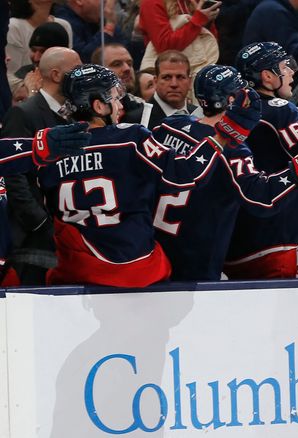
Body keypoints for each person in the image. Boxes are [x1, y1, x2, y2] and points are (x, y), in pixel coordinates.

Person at [35, 64, 258, 286]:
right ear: (98, 106)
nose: (119, 104)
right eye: (113, 98)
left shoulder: (48, 153)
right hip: (134, 268)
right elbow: (185, 175)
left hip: (75, 270)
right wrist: (221, 137)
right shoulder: (130, 138)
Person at [152, 64, 298, 280]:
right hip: (193, 264)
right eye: (242, 91)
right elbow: (261, 198)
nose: (250, 95)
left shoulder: (168, 126)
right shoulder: (231, 149)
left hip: (154, 249)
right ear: (231, 101)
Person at [224, 42, 298, 279]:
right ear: (267, 76)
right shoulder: (283, 111)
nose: (291, 72)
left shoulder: (229, 111)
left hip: (233, 238)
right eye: (284, 67)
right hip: (274, 237)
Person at [1, 46, 81, 285]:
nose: (83, 76)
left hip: (68, 233)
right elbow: (14, 176)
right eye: (77, 70)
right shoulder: (23, 113)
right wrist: (42, 224)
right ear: (56, 75)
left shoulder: (76, 114)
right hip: (34, 240)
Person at [242, 0, 298, 129]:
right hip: (273, 107)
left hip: (295, 105)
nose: (289, 71)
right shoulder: (272, 11)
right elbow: (297, 57)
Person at [138, 0, 221, 80]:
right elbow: (164, 45)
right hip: (168, 75)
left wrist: (206, 21)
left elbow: (211, 41)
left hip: (200, 70)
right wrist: (198, 19)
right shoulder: (151, 2)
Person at [6, 0, 72, 95]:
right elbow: (10, 76)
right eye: (33, 50)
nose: (37, 57)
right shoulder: (13, 26)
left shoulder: (64, 25)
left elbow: (68, 65)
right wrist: (32, 89)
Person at [92, 42, 153, 125]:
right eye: (117, 64)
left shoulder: (142, 106)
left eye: (129, 64)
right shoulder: (87, 114)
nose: (127, 68)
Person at [9, 21, 69, 104]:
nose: (36, 58)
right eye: (33, 50)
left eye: (43, 51)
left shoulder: (73, 82)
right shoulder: (21, 76)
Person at [55, 0, 127, 62]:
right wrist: (109, 26)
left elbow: (126, 53)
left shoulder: (100, 18)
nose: (106, 2)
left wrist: (136, 35)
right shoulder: (63, 24)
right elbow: (85, 58)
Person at [146, 50, 198, 129]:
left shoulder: (200, 116)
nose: (174, 84)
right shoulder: (138, 119)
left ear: (190, 82)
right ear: (155, 82)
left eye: (180, 77)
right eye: (167, 77)